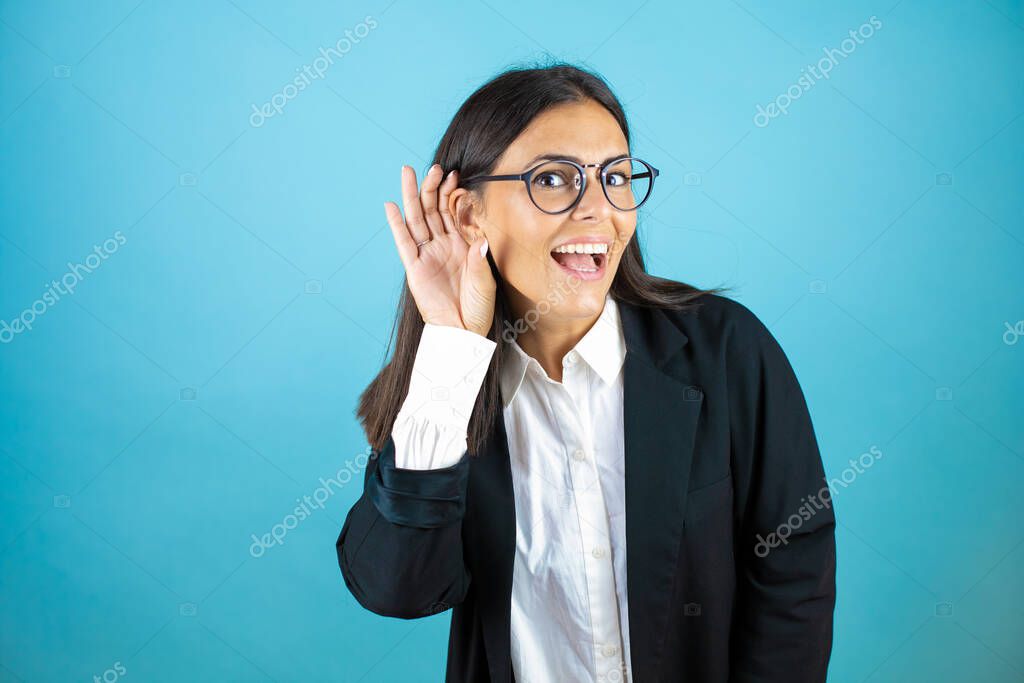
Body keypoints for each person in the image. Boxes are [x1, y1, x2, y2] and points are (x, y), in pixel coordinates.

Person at [335, 63, 836, 683]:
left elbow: (793, 564)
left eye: (616, 178)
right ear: (469, 215)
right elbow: (399, 590)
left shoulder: (728, 349)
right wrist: (449, 348)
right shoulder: (446, 391)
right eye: (553, 179)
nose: (601, 211)